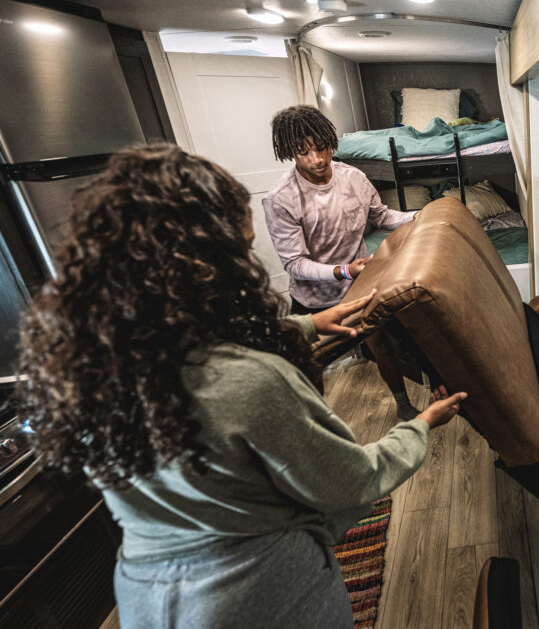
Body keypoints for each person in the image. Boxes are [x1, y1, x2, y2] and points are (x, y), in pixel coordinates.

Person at [14, 144, 466, 628]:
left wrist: (308, 326)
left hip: (146, 596)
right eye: (239, 251)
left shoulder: (89, 367)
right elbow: (351, 482)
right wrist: (419, 426)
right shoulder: (249, 382)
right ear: (200, 267)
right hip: (260, 596)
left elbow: (185, 353)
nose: (249, 263)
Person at [263, 105, 420, 420]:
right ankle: (320, 427)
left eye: (321, 148)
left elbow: (382, 216)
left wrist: (420, 217)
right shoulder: (281, 198)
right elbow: (295, 264)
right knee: (309, 368)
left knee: (384, 346)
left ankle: (403, 406)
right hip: (314, 301)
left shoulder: (354, 177)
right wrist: (343, 270)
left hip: (360, 288)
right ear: (289, 153)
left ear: (330, 142)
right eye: (303, 152)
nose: (317, 159)